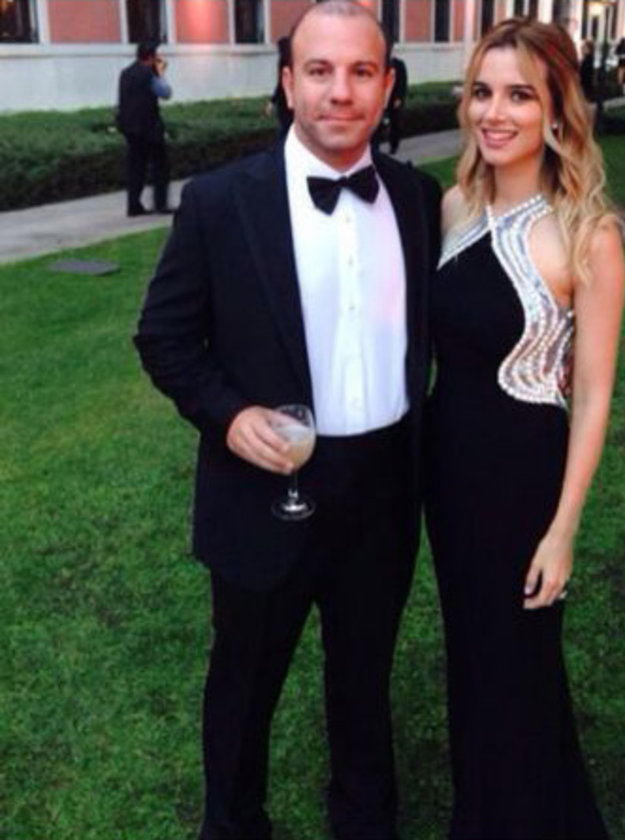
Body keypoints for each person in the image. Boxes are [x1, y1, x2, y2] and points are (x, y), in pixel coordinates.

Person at [134, 2, 441, 838]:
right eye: (319, 70)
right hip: (263, 488)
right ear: (287, 82)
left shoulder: (417, 198)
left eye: (361, 71)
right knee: (244, 683)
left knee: (364, 679)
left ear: (387, 85)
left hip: (384, 490)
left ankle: (366, 822)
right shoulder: (220, 201)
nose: (340, 91)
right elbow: (163, 336)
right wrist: (229, 415)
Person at [424, 18, 625, 839]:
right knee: (471, 662)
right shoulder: (452, 207)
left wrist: (563, 529)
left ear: (555, 109)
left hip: (521, 483)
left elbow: (595, 394)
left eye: (519, 95)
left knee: (521, 670)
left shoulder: (587, 232)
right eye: (482, 92)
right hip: (446, 475)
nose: (494, 112)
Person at [116, 41, 173, 217]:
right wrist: (161, 74)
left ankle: (133, 205)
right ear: (150, 57)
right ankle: (160, 204)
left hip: (129, 127)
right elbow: (166, 93)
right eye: (156, 56)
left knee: (136, 167)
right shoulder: (149, 75)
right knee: (160, 166)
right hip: (149, 127)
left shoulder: (125, 73)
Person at [267, 35, 293, 134]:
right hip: (290, 99)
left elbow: (280, 84)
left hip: (284, 100)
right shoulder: (292, 60)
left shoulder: (283, 61)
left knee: (284, 127)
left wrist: (272, 101)